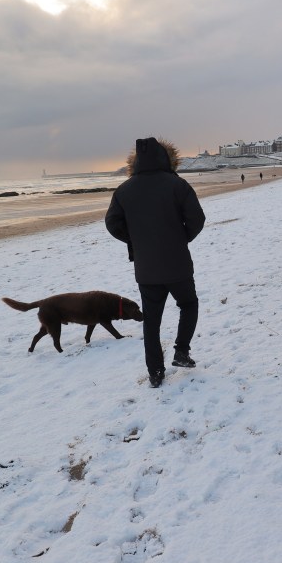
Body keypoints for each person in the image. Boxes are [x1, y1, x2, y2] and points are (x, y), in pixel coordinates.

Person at [105, 137, 206, 388]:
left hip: (147, 268)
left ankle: (155, 373)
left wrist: (136, 240)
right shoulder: (177, 184)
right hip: (178, 263)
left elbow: (112, 224)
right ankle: (181, 352)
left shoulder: (124, 190)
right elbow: (197, 219)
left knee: (151, 321)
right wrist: (181, 238)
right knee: (188, 304)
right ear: (166, 158)